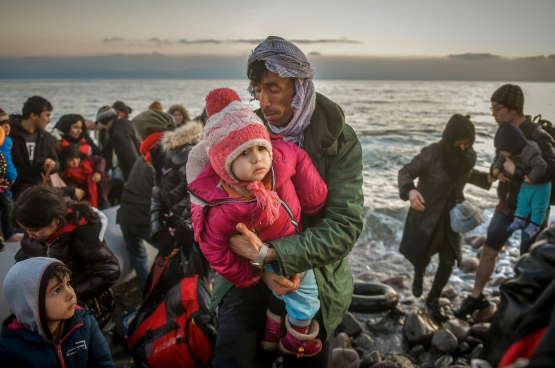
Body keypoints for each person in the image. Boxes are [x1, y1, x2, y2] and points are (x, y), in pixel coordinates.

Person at [191, 36, 363, 368]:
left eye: (274, 88)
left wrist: (276, 254)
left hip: (316, 274)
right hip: (245, 273)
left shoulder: (341, 139)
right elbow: (206, 205)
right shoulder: (239, 132)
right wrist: (261, 268)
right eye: (257, 90)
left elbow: (345, 225)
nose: (263, 100)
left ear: (299, 87)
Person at [189, 88, 328, 356]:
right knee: (306, 293)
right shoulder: (223, 207)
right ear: (224, 164)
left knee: (285, 293)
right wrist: (252, 275)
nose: (257, 158)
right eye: (244, 154)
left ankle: (272, 332)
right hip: (267, 258)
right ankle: (298, 337)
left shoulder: (278, 162)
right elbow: (213, 249)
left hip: (290, 244)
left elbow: (298, 157)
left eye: (261, 148)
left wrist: (315, 198)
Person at [456, 84, 555, 319]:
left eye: (496, 108)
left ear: (513, 108)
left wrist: (518, 172)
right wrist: (497, 171)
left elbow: (551, 170)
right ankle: (475, 297)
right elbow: (499, 159)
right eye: (491, 108)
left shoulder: (537, 135)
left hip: (533, 208)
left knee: (527, 260)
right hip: (507, 205)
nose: (493, 113)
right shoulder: (505, 131)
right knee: (489, 249)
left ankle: (524, 310)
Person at [398, 114, 491, 321]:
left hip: (452, 219)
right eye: (459, 143)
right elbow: (405, 172)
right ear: (450, 139)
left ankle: (433, 298)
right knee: (422, 255)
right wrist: (410, 192)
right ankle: (419, 274)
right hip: (428, 215)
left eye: (468, 144)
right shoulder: (433, 153)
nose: (464, 148)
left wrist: (489, 177)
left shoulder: (468, 156)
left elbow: (466, 175)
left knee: (449, 260)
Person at [12, 186, 121, 328]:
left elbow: (110, 270)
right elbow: (22, 260)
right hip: (54, 315)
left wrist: (72, 295)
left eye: (35, 230)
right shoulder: (33, 238)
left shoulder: (81, 235)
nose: (30, 235)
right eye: (25, 230)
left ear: (56, 221)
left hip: (86, 312)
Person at [0, 258, 114, 368]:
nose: (71, 295)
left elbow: (103, 363)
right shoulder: (10, 350)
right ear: (30, 304)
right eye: (57, 291)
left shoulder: (85, 322)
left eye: (68, 283)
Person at [117, 109, 176, 288]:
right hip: (144, 217)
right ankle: (168, 289)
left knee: (138, 255)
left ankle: (147, 289)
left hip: (125, 216)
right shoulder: (161, 160)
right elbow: (167, 194)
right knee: (171, 252)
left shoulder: (142, 158)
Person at [149, 111, 203, 259]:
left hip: (199, 232)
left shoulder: (181, 153)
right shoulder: (159, 155)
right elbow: (157, 195)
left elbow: (202, 192)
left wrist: (185, 229)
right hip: (186, 229)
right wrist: (160, 232)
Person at [493, 123, 551, 240]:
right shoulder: (508, 150)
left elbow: (541, 165)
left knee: (538, 207)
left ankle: (534, 226)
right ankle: (519, 220)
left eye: (503, 150)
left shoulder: (529, 150)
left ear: (511, 147)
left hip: (541, 185)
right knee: (523, 201)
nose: (502, 152)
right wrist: (496, 168)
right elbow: (501, 157)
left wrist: (531, 177)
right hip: (527, 182)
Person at [8, 96, 59, 199]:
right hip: (11, 194)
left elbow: (56, 161)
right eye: (47, 115)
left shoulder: (46, 137)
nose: (49, 120)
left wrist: (52, 165)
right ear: (34, 115)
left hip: (38, 194)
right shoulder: (9, 133)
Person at [95, 106, 140, 182]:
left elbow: (132, 157)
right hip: (143, 165)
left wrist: (133, 181)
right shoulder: (126, 124)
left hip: (135, 174)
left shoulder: (118, 133)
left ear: (104, 121)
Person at [0, 109, 19, 248]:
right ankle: (8, 234)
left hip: (3, 184)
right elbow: (6, 160)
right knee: (8, 205)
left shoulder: (6, 140)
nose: (7, 127)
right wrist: (13, 176)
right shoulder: (4, 142)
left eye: (7, 123)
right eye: (2, 124)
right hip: (3, 184)